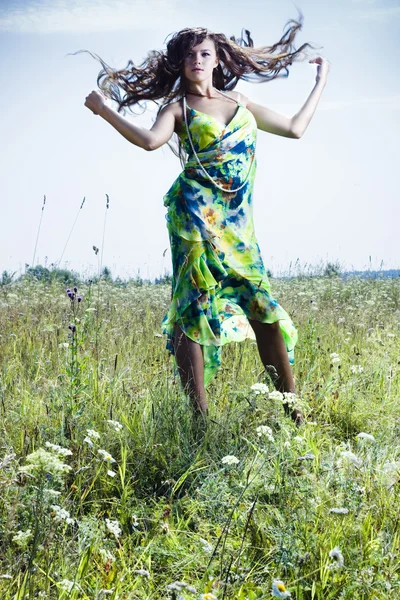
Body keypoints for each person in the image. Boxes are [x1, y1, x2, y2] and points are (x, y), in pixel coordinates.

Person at [83, 16, 330, 425]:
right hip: (193, 221)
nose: (197, 60)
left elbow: (294, 129)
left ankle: (294, 413)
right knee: (192, 310)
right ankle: (199, 421)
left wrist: (320, 82)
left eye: (205, 53)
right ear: (181, 64)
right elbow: (149, 141)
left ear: (218, 61)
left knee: (264, 312)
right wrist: (104, 110)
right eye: (190, 55)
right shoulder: (177, 109)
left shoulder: (241, 104)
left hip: (238, 229)